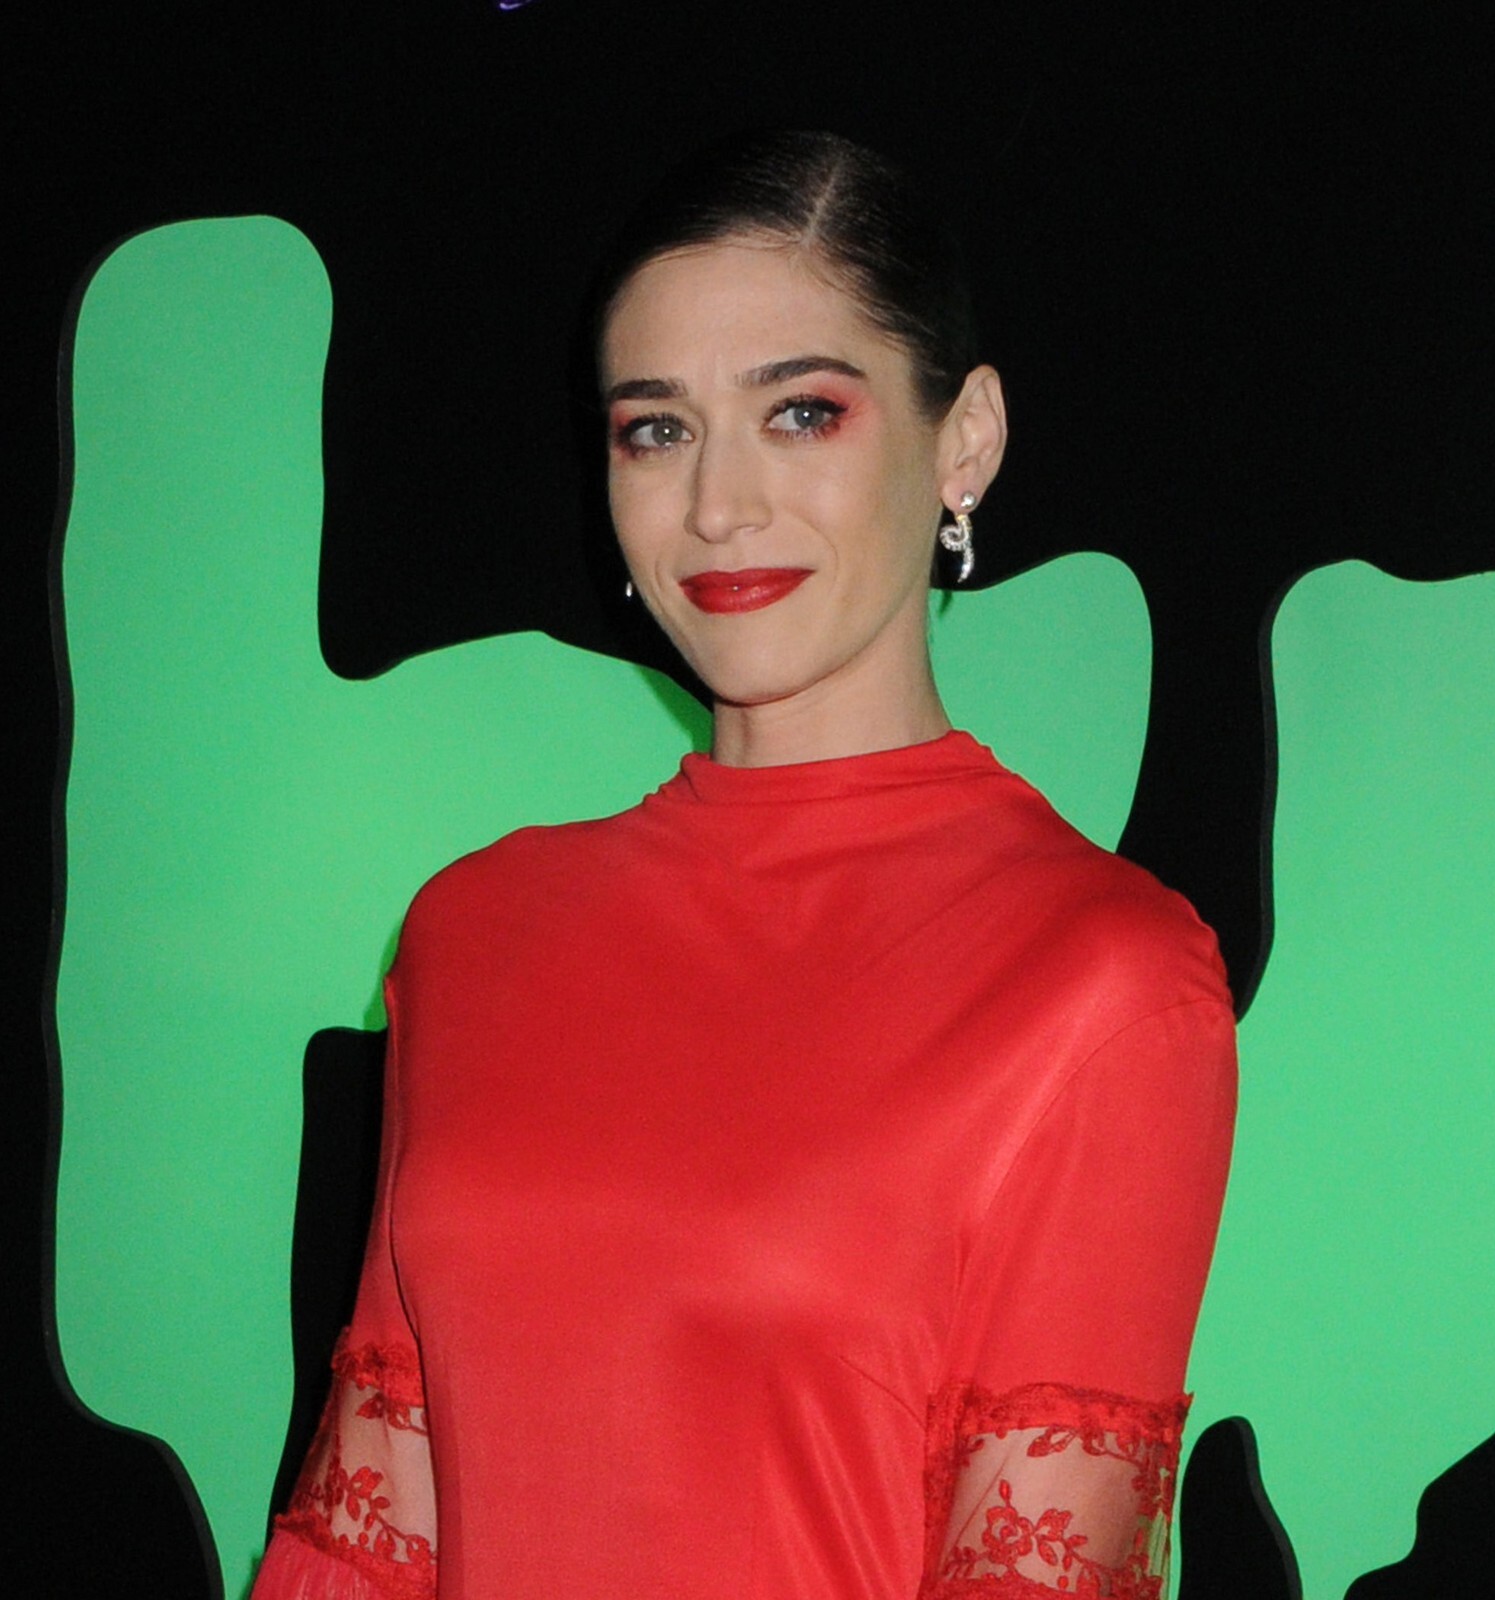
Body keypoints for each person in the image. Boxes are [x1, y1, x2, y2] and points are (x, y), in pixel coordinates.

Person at [251, 130, 1236, 1600]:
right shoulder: (473, 927)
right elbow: (365, 1538)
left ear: (965, 439)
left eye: (802, 414)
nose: (717, 506)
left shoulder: (1106, 983)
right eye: (657, 429)